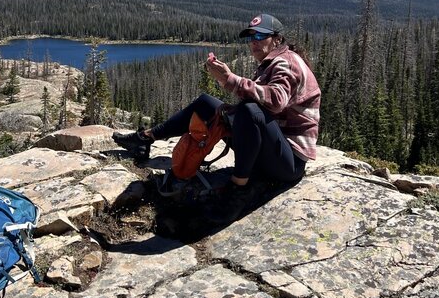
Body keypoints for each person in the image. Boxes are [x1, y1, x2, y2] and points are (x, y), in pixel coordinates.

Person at [113, 13, 321, 223]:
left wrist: (230, 80)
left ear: (277, 39)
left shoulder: (286, 63)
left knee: (248, 111)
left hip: (288, 162)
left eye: (260, 37)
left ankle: (238, 189)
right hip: (268, 147)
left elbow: (275, 101)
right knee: (207, 104)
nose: (253, 43)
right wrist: (229, 105)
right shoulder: (273, 61)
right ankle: (144, 139)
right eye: (250, 38)